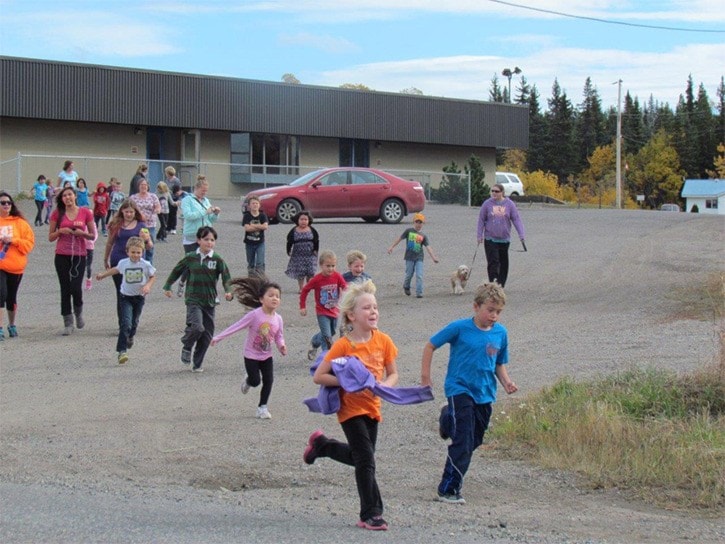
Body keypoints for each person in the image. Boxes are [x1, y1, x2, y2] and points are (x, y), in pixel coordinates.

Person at [302, 280, 399, 531]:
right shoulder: (344, 345)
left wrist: (386, 385)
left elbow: (393, 373)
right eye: (367, 308)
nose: (373, 312)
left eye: (375, 307)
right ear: (351, 315)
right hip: (350, 409)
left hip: (372, 408)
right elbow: (319, 376)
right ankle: (370, 513)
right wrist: (347, 382)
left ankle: (322, 446)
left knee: (361, 458)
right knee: (366, 459)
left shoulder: (384, 341)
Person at [420, 282, 518, 504]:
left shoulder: (501, 333)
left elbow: (499, 363)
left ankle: (447, 418)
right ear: (476, 307)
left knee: (474, 440)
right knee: (463, 442)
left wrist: (507, 382)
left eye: (498, 312)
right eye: (490, 310)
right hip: (459, 389)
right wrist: (426, 376)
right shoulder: (460, 328)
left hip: (484, 393)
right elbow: (430, 345)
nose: (494, 316)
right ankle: (448, 489)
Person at [212, 276, 287, 419]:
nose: (274, 298)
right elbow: (236, 326)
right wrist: (218, 337)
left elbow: (279, 336)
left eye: (277, 296)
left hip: (267, 355)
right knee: (255, 381)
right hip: (251, 355)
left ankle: (262, 407)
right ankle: (248, 380)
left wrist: (281, 345)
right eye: (270, 295)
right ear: (261, 299)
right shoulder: (254, 315)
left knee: (269, 380)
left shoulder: (278, 319)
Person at [162, 226, 233, 373]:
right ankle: (187, 345)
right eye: (206, 239)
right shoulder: (190, 257)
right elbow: (177, 270)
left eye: (212, 240)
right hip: (194, 299)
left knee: (207, 334)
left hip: (210, 301)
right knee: (197, 327)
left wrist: (228, 291)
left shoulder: (217, 259)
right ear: (198, 240)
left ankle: (197, 363)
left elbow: (226, 277)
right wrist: (168, 286)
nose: (209, 243)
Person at [96, 236, 156, 365]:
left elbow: (152, 277)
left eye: (138, 252)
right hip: (125, 297)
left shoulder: (145, 265)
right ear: (127, 251)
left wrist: (147, 286)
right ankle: (122, 351)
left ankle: (130, 336)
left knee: (134, 323)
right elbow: (115, 270)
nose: (135, 255)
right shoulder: (124, 263)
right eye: (133, 252)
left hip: (139, 298)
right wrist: (103, 275)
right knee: (126, 323)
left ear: (142, 252)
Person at [48, 186, 96, 335]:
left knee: (75, 287)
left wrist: (83, 233)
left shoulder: (85, 212)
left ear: (75, 196)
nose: (67, 198)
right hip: (62, 254)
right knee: (65, 288)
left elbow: (92, 236)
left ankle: (78, 311)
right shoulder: (57, 214)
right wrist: (60, 231)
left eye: (69, 195)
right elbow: (50, 237)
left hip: (80, 254)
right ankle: (68, 322)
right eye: (64, 196)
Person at [104, 200, 153, 326]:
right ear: (122, 211)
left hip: (136, 264)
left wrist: (146, 239)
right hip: (118, 261)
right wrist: (106, 258)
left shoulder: (141, 225)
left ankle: (133, 318)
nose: (129, 214)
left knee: (136, 291)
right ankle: (123, 323)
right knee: (121, 292)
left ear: (135, 212)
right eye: (126, 212)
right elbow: (110, 242)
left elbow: (149, 246)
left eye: (131, 212)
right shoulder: (116, 224)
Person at [176, 175, 221, 297]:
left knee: (208, 262)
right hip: (191, 236)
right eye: (203, 191)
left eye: (206, 191)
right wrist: (205, 211)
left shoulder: (206, 201)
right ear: (196, 188)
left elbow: (210, 218)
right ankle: (182, 282)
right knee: (191, 262)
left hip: (205, 235)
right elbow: (188, 216)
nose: (204, 193)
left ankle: (207, 289)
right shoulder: (187, 200)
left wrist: (215, 214)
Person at [299, 249, 347, 361]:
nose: (331, 269)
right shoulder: (317, 279)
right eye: (328, 266)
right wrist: (302, 306)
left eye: (333, 266)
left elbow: (345, 287)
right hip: (322, 312)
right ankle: (327, 357)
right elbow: (305, 290)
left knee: (332, 331)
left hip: (334, 310)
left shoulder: (337, 276)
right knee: (327, 336)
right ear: (321, 265)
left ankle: (314, 342)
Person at [0, 191, 35, 341]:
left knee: (11, 298)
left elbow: (28, 245)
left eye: (8, 202)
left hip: (16, 266)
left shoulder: (20, 223)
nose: (6, 205)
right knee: (1, 294)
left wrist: (13, 240)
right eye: (3, 203)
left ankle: (11, 324)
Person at [477, 182, 526, 288]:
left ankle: (500, 284)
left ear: (502, 192)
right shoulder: (487, 204)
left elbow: (516, 219)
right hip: (490, 238)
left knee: (503, 263)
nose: (494, 193)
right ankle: (493, 284)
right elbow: (481, 220)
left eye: (497, 191)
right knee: (493, 262)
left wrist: (521, 234)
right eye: (492, 191)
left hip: (504, 239)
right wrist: (479, 235)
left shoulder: (509, 204)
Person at [387, 212, 439, 298]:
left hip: (419, 258)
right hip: (409, 257)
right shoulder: (409, 231)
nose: (418, 224)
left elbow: (428, 247)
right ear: (413, 222)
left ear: (423, 223)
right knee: (409, 274)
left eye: (420, 222)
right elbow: (399, 239)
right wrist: (392, 247)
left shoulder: (423, 236)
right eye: (417, 222)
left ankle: (419, 292)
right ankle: (406, 286)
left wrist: (433, 257)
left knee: (419, 275)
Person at [285, 210, 319, 292]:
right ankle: (301, 288)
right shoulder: (294, 230)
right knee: (300, 272)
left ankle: (308, 286)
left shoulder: (312, 230)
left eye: (305, 219)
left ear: (309, 220)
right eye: (301, 219)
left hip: (310, 253)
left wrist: (315, 250)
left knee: (310, 270)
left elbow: (316, 240)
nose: (303, 221)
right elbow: (289, 241)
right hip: (298, 254)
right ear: (298, 220)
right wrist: (288, 250)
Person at [129, 179, 161, 264]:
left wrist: (155, 211)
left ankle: (149, 267)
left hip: (150, 225)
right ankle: (138, 264)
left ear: (148, 186)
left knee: (150, 247)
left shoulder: (153, 196)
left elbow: (158, 207)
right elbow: (129, 208)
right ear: (138, 186)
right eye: (141, 185)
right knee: (138, 246)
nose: (143, 186)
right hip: (138, 224)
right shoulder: (133, 197)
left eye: (145, 185)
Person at [242, 195, 268, 277]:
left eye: (256, 203)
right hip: (249, 243)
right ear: (249, 205)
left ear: (259, 205)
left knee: (260, 262)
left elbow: (265, 226)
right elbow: (247, 228)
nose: (255, 205)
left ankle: (260, 279)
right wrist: (259, 226)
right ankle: (251, 279)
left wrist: (253, 225)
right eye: (253, 203)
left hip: (260, 243)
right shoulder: (247, 216)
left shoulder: (262, 215)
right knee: (251, 263)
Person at [164, 166, 182, 234]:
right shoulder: (166, 180)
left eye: (166, 172)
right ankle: (168, 227)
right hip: (167, 198)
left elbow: (178, 191)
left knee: (173, 214)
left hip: (174, 199)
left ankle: (173, 228)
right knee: (168, 213)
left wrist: (178, 200)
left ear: (169, 173)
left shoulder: (176, 181)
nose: (165, 174)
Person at [83, 222, 99, 291]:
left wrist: (92, 241)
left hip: (90, 247)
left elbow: (95, 235)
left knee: (88, 266)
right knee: (80, 264)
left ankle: (89, 280)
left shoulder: (93, 224)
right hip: (81, 246)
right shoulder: (81, 223)